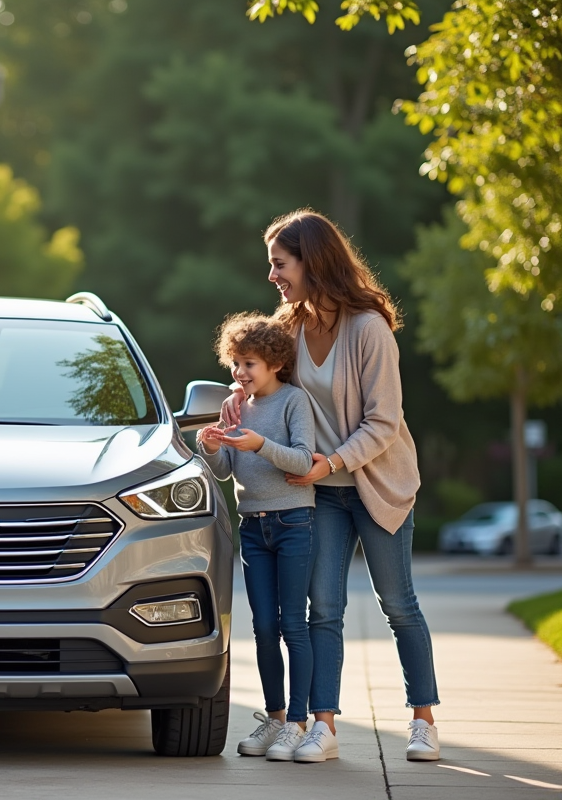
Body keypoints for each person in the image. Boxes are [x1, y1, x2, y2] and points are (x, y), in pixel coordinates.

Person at [223, 209, 441, 763]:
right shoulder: (289, 328)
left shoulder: (368, 328)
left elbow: (385, 420)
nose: (272, 274)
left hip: (377, 482)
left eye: (280, 263)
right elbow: (269, 388)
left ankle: (422, 719)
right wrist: (240, 399)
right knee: (323, 607)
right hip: (318, 490)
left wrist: (332, 462)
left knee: (398, 603)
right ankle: (324, 725)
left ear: (311, 261)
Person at [197, 313, 316, 762]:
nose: (240, 373)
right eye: (235, 363)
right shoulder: (234, 407)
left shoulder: (292, 402)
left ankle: (299, 724)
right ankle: (275, 718)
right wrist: (211, 446)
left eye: (249, 364)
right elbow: (226, 472)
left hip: (293, 523)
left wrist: (258, 445)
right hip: (254, 525)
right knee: (263, 628)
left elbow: (304, 462)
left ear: (274, 363)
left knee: (292, 625)